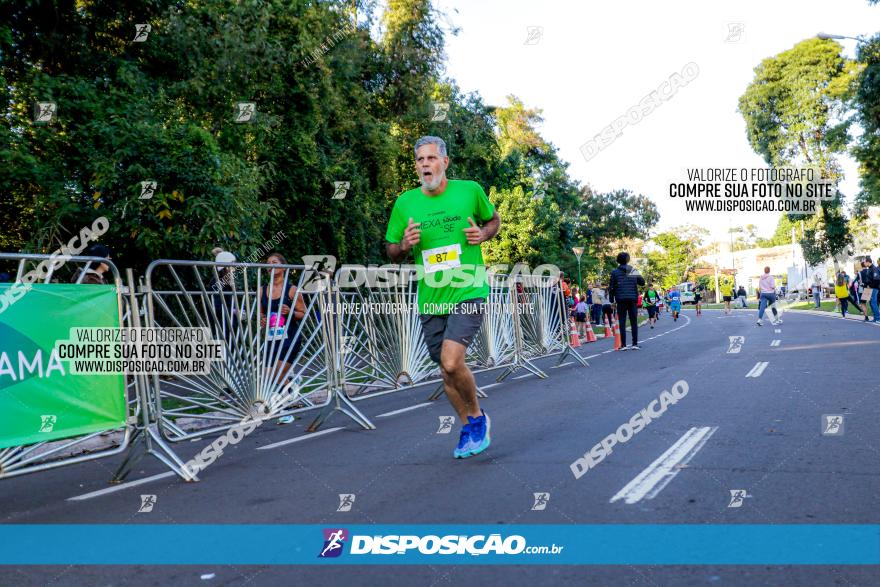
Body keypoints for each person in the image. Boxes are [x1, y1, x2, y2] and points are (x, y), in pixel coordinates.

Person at [385, 135, 500, 459]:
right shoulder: (406, 203)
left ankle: (477, 417)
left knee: (452, 360)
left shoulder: (469, 191)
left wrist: (483, 233)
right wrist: (404, 246)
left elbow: (493, 221)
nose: (425, 164)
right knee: (445, 369)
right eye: (420, 159)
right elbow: (391, 250)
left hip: (468, 287)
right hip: (431, 296)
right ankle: (467, 426)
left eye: (431, 158)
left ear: (445, 162)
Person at [259, 252, 307, 381]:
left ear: (284, 267)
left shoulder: (292, 290)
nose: (270, 266)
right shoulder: (262, 290)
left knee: (278, 374)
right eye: (268, 264)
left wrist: (290, 312)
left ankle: (290, 390)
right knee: (268, 377)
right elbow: (260, 314)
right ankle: (291, 386)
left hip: (289, 339)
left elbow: (303, 313)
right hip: (271, 339)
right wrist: (262, 320)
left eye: (274, 263)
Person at [608, 252, 645, 350]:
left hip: (621, 299)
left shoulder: (615, 272)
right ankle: (634, 344)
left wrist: (612, 300)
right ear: (628, 260)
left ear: (618, 260)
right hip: (632, 299)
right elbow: (642, 282)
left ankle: (623, 345)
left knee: (622, 321)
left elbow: (611, 287)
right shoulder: (631, 270)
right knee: (633, 321)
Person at [858, 257, 880, 323]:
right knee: (871, 303)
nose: (864, 263)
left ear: (868, 262)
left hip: (874, 288)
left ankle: (878, 318)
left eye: (865, 262)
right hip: (869, 288)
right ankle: (875, 318)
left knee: (873, 302)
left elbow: (877, 280)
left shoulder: (874, 269)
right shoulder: (870, 269)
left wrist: (870, 286)